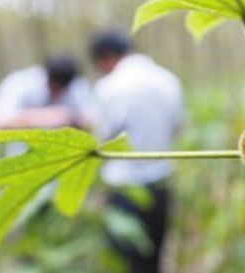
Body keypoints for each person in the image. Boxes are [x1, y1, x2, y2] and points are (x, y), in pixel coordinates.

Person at [89, 31, 185, 273]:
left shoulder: (109, 87)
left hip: (125, 188)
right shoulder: (168, 80)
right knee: (154, 258)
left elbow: (102, 137)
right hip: (161, 183)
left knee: (128, 262)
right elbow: (177, 127)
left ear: (106, 57)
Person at [0, 54, 94, 219]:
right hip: (24, 161)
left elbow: (92, 118)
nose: (59, 93)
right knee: (24, 211)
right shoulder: (20, 83)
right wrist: (46, 117)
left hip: (65, 163)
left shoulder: (75, 86)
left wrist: (71, 118)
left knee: (60, 215)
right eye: (55, 87)